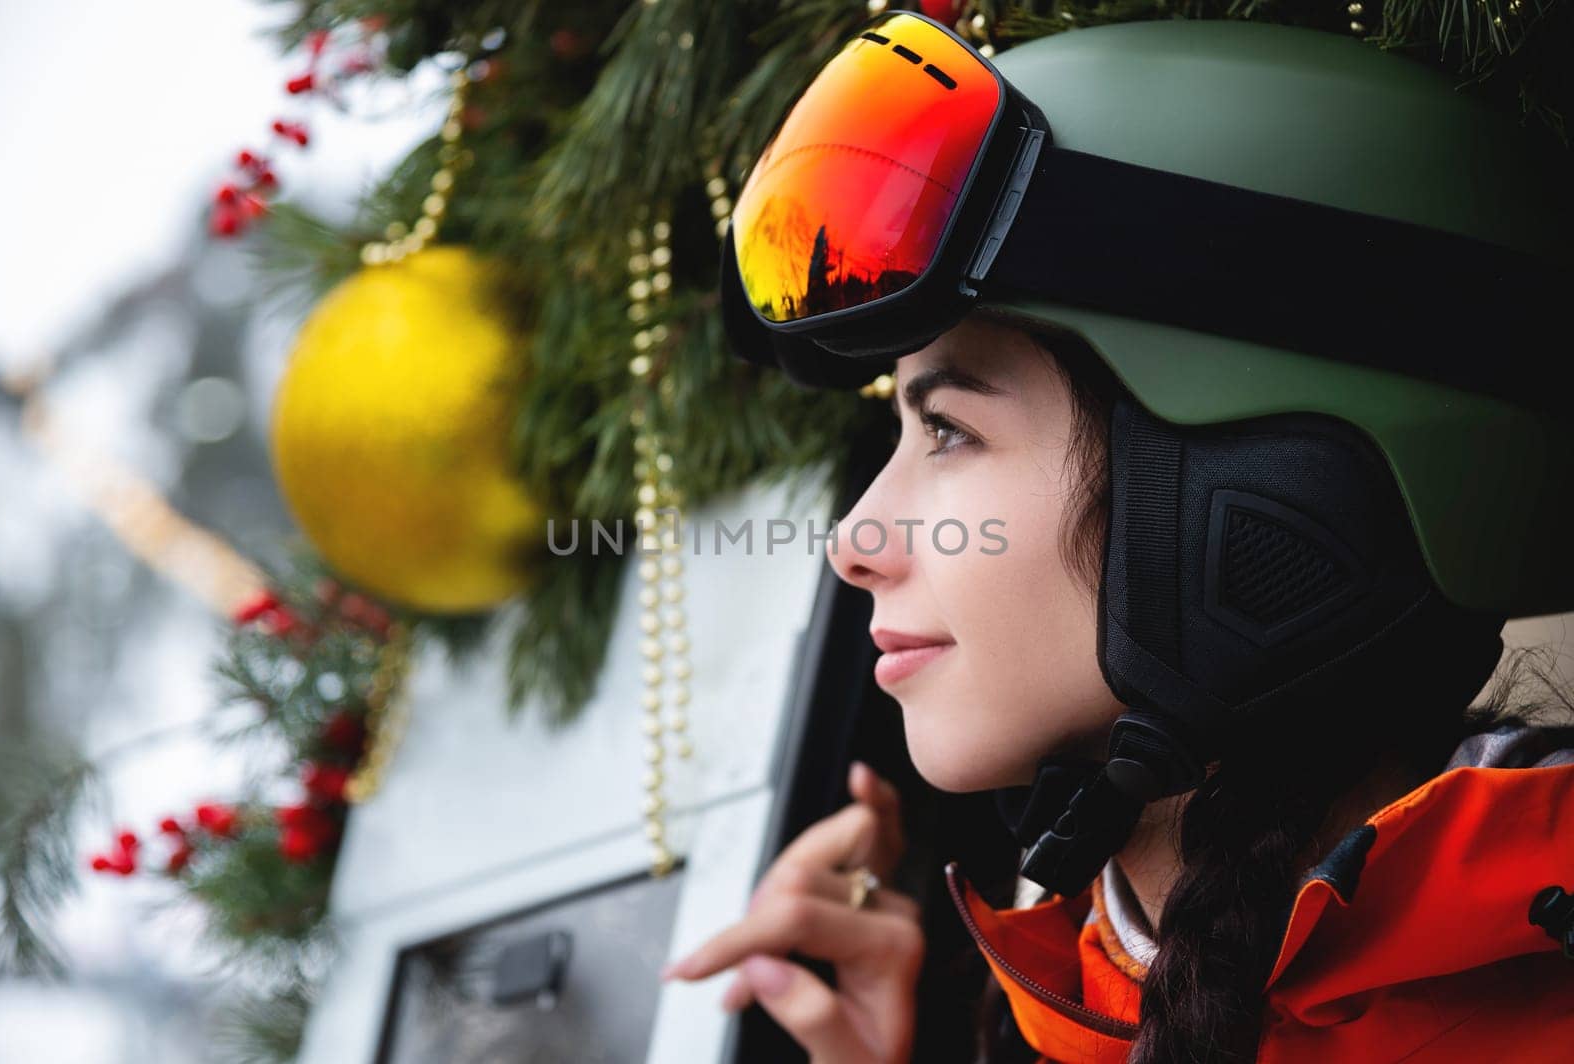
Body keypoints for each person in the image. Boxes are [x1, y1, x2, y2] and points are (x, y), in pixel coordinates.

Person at [661, 14, 1574, 1063]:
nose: (855, 539)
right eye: (902, 430)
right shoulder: (1074, 1017)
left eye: (950, 429)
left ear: (1267, 496)